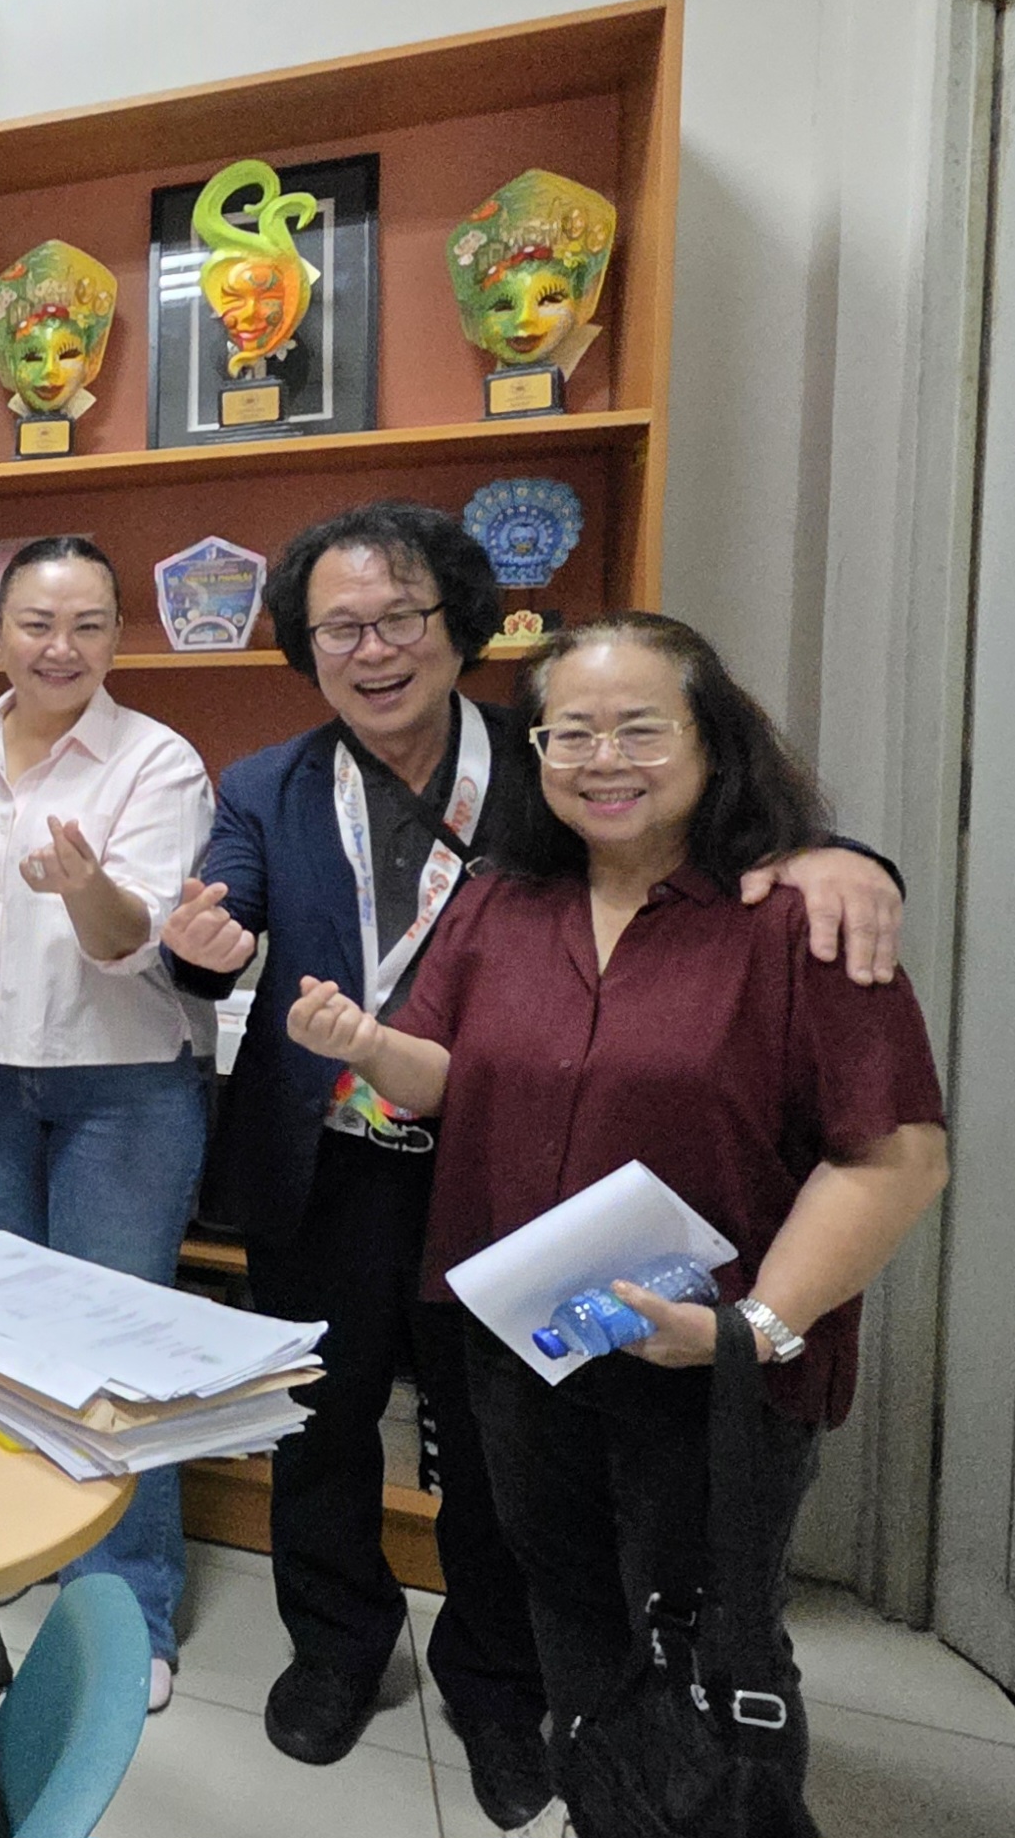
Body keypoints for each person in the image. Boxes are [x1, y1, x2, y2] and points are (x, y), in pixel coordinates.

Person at [156, 501, 906, 1826]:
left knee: (492, 1455)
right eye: (339, 627)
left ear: (460, 627)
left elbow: (718, 837)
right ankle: (332, 1652)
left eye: (401, 618)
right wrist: (196, 949)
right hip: (324, 1163)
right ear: (304, 649)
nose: (373, 650)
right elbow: (217, 924)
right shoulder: (267, 782)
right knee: (322, 1428)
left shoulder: (551, 755)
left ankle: (498, 1688)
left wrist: (841, 855)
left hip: (502, 1175)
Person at [0, 537, 214, 1713]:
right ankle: (22, 1545)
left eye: (88, 623)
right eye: (36, 622)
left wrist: (85, 884)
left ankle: (128, 1603)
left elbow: (129, 940)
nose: (60, 646)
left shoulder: (157, 760)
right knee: (2, 1337)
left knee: (116, 1349)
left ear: (117, 635)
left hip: (119, 1086)